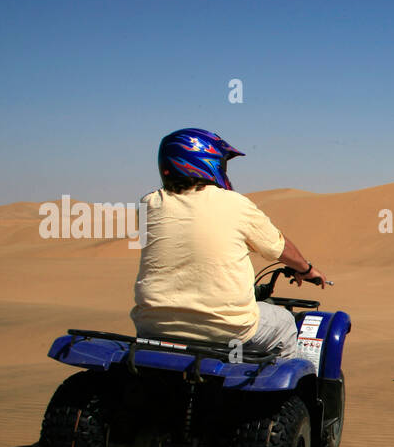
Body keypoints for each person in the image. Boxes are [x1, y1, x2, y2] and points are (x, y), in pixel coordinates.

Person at [131, 128, 326, 360]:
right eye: (223, 164)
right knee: (285, 324)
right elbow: (279, 248)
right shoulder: (235, 204)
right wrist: (306, 269)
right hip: (226, 329)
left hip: (153, 327)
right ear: (207, 163)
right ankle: (286, 394)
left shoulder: (148, 204)